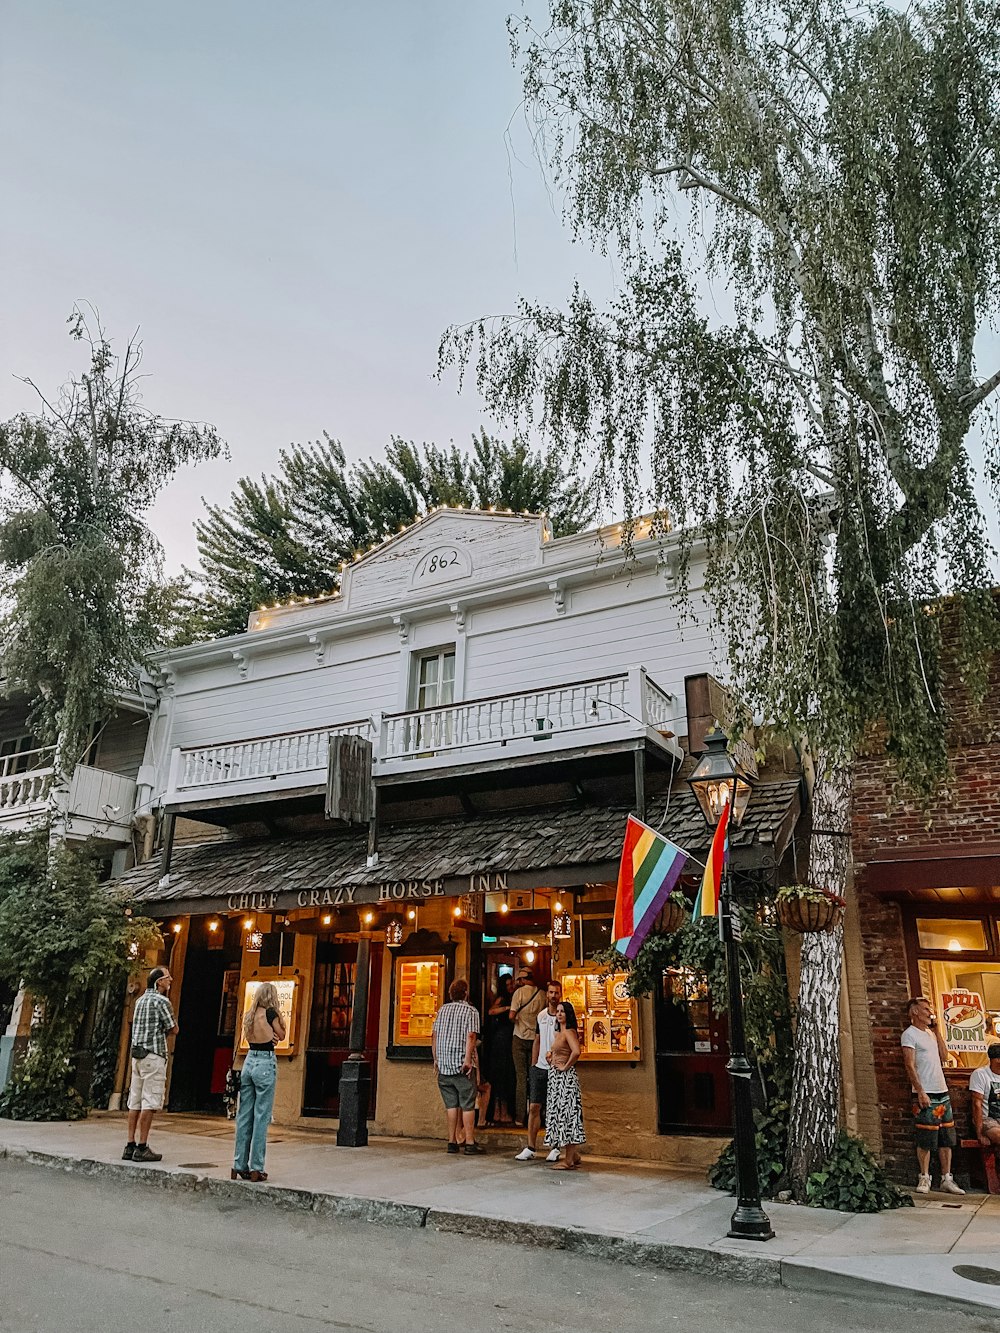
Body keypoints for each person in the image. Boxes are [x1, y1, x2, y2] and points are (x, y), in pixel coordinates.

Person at [901, 996, 964, 1194]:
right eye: (926, 1009)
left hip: (941, 1090)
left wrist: (937, 1031)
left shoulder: (930, 1033)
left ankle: (946, 1177)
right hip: (925, 1092)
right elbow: (909, 1065)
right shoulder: (909, 1035)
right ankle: (924, 1177)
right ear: (915, 1012)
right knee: (926, 1137)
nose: (930, 1012)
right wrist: (919, 1090)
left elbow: (944, 1057)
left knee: (946, 1136)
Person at [123, 966, 178, 1164]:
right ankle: (142, 1146)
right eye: (167, 978)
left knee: (135, 1100)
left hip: (137, 1056)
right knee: (150, 1100)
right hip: (153, 1055)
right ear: (159, 982)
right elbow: (174, 1028)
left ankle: (129, 1144)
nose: (170, 981)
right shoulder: (162, 1001)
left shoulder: (139, 1001)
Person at [233, 982, 286, 1182]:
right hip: (265, 1061)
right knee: (261, 1116)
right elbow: (281, 1035)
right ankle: (256, 1167)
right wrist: (275, 1035)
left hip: (249, 1060)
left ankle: (238, 1164)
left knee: (244, 1115)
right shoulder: (270, 1013)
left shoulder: (249, 1015)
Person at [431, 977, 486, 1155]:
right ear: (466, 993)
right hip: (462, 1065)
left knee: (451, 1105)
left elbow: (434, 1036)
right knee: (468, 1103)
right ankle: (469, 1142)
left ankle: (452, 1141)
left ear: (450, 993)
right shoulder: (471, 1011)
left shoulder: (442, 1010)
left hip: (444, 1064)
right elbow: (471, 1036)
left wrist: (436, 1059)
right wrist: (468, 1060)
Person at [514, 979, 561, 1163]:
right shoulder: (541, 1016)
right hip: (540, 1067)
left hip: (556, 1067)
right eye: (550, 992)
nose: (553, 996)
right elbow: (537, 1040)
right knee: (534, 1107)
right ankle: (531, 1146)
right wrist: (533, 1064)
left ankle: (555, 1146)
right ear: (547, 994)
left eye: (556, 992)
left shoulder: (562, 1015)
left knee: (553, 1108)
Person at [545, 1000, 586, 1170]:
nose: (559, 1014)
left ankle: (568, 1159)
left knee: (567, 1115)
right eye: (558, 1011)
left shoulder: (569, 1032)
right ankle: (573, 1155)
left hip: (565, 1079)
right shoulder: (558, 1034)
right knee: (560, 1115)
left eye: (563, 1011)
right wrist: (551, 1057)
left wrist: (565, 1066)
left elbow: (576, 1051)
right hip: (555, 1077)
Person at [509, 967, 545, 1126]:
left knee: (521, 1077)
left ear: (522, 980)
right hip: (536, 1039)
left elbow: (511, 1015)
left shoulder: (519, 993)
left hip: (519, 1037)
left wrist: (518, 1021)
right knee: (536, 1077)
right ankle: (536, 1115)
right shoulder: (542, 994)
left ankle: (519, 1117)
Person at [485, 974, 517, 1126]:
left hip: (506, 1038)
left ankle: (501, 1111)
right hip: (502, 1039)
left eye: (512, 983)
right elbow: (491, 1011)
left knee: (504, 1075)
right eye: (508, 984)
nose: (511, 986)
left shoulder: (513, 997)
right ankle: (500, 1112)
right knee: (502, 1074)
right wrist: (507, 1008)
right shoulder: (502, 999)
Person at [970, 1042, 1000, 1153]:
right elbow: (976, 1104)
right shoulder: (980, 1074)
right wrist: (979, 1133)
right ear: (996, 1060)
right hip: (988, 1120)